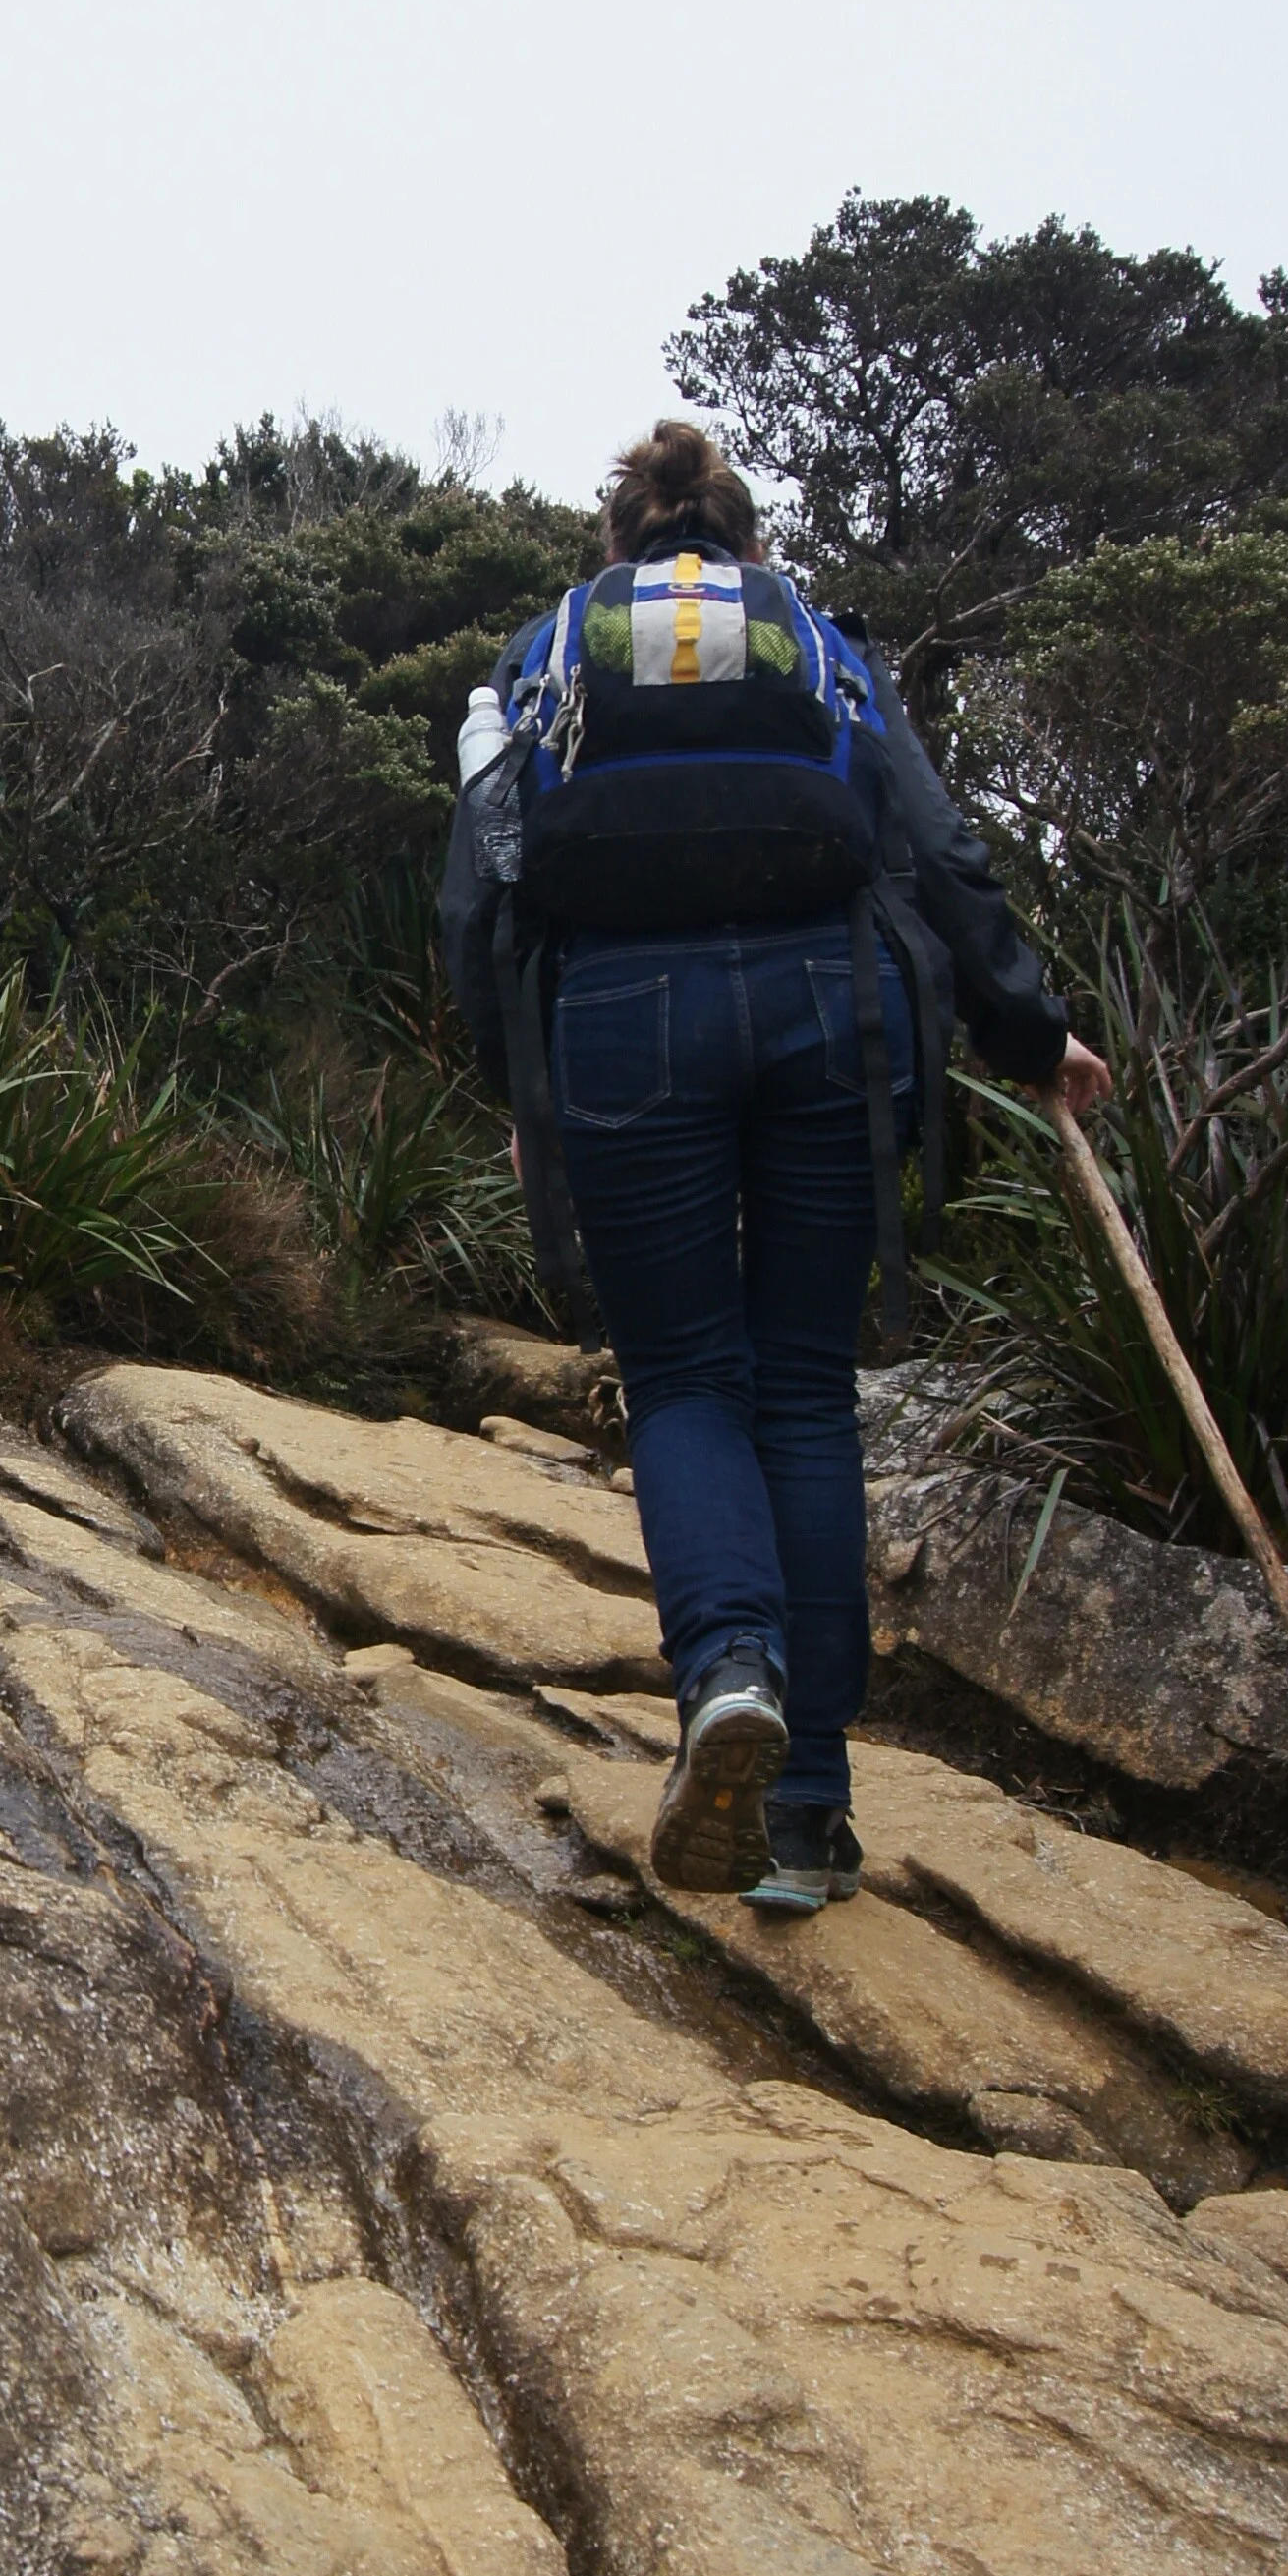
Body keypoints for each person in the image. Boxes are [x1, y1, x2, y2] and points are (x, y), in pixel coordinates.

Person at [442, 422, 1110, 1910]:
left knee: (684, 1377)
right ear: (741, 543)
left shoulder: (540, 656)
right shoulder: (816, 640)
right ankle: (805, 1811)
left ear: (615, 547)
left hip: (617, 1018)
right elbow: (933, 850)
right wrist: (1027, 1032)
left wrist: (525, 1084)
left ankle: (727, 1672)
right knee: (802, 1384)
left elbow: (477, 883)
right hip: (832, 1000)